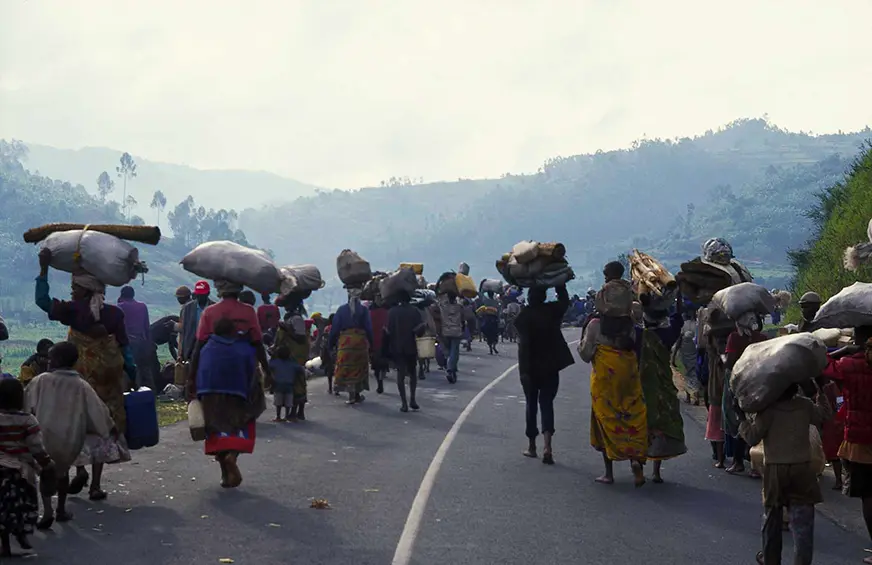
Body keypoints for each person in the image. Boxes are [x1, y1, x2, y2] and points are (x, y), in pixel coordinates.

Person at [34, 248, 135, 501]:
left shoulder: (72, 310)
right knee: (102, 426)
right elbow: (124, 346)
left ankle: (80, 469)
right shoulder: (114, 314)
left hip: (77, 379)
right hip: (108, 382)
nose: (72, 292)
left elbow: (42, 301)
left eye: (75, 288)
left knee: (77, 423)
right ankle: (96, 485)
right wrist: (131, 373)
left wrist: (44, 269)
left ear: (85, 290)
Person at [738, 382, 832, 565]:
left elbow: (752, 437)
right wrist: (820, 392)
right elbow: (825, 414)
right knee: (803, 525)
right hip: (802, 469)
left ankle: (770, 559)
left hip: (775, 470)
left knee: (772, 520)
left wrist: (742, 419)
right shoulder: (804, 405)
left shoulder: (768, 410)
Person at [25, 342, 114, 529]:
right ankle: (61, 509)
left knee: (46, 472)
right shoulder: (81, 385)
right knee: (62, 473)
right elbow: (98, 410)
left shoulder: (41, 380)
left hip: (44, 434)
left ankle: (47, 510)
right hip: (70, 437)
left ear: (55, 360)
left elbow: (26, 404)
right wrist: (107, 428)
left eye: (50, 358)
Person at [580, 299, 647, 487]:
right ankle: (636, 462)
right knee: (631, 416)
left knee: (605, 419)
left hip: (604, 381)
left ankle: (608, 473)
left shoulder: (595, 325)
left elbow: (585, 354)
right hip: (629, 377)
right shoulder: (629, 324)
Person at [821, 326, 872, 565]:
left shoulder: (850, 364)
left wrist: (842, 350)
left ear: (859, 339)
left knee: (868, 496)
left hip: (861, 441)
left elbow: (824, 365)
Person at [192, 317, 262, 488]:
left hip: (209, 395)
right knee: (237, 428)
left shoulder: (207, 348)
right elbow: (251, 372)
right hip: (236, 394)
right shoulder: (242, 348)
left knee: (216, 431)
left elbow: (200, 370)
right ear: (232, 331)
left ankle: (225, 473)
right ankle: (232, 455)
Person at [515, 285, 573, 464]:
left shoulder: (523, 317)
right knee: (547, 403)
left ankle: (532, 446)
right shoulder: (552, 312)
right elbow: (564, 301)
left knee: (531, 405)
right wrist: (560, 284)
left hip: (529, 368)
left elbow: (521, 339)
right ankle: (548, 446)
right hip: (550, 366)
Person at [636, 291, 687, 483]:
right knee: (661, 424)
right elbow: (678, 317)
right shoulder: (667, 334)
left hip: (641, 384)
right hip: (663, 386)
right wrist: (678, 296)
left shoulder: (637, 334)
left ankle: (638, 463)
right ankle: (656, 471)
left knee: (640, 423)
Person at [0, 378, 52, 557]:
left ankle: (5, 544)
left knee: (3, 508)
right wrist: (46, 464)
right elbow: (36, 446)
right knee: (24, 506)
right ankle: (22, 536)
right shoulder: (28, 420)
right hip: (21, 472)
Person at [723, 313, 768, 477]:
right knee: (757, 421)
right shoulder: (762, 337)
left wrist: (723, 358)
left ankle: (738, 462)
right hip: (759, 383)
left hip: (740, 384)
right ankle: (756, 465)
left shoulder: (734, 338)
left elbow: (730, 361)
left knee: (740, 421)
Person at [329, 288, 374, 405]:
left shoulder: (341, 310)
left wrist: (331, 344)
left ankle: (351, 395)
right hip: (360, 342)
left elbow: (334, 329)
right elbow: (369, 328)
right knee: (358, 368)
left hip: (346, 342)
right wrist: (372, 344)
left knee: (347, 367)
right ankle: (357, 394)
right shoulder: (364, 310)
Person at [386, 291, 424, 412]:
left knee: (400, 374)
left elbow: (387, 331)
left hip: (397, 347)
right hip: (411, 346)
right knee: (413, 374)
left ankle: (404, 403)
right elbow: (419, 330)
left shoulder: (391, 312)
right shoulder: (414, 311)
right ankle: (412, 399)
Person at [272, 295, 310, 419]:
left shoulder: (297, 319)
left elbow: (301, 338)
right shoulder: (290, 318)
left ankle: (298, 411)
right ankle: (293, 412)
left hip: (296, 354)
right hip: (289, 353)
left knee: (298, 382)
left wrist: (287, 329)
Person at [117, 285, 156, 390]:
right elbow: (146, 327)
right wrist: (149, 343)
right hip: (142, 340)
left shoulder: (120, 306)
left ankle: (136, 390)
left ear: (122, 295)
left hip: (128, 341)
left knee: (132, 367)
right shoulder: (142, 306)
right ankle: (151, 391)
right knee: (145, 367)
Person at [269, 345, 303, 422]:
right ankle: (286, 416)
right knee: (288, 402)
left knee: (278, 402)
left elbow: (269, 366)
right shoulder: (292, 363)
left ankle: (278, 416)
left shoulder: (275, 362)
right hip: (289, 385)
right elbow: (300, 369)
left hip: (278, 385)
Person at [438, 293, 464, 383]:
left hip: (445, 331)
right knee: (454, 351)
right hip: (456, 331)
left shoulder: (443, 307)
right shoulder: (459, 307)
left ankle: (451, 367)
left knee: (448, 351)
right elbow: (464, 317)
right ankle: (450, 369)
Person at [369, 299, 390, 394]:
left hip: (373, 342)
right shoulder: (386, 313)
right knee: (383, 362)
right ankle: (383, 375)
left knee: (376, 364)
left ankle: (379, 382)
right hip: (385, 342)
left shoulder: (369, 313)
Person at [321, 314, 337, 395]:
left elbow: (324, 342)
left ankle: (330, 388)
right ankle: (337, 388)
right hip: (336, 350)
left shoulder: (327, 328)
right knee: (337, 369)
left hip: (327, 350)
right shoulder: (338, 328)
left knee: (329, 370)